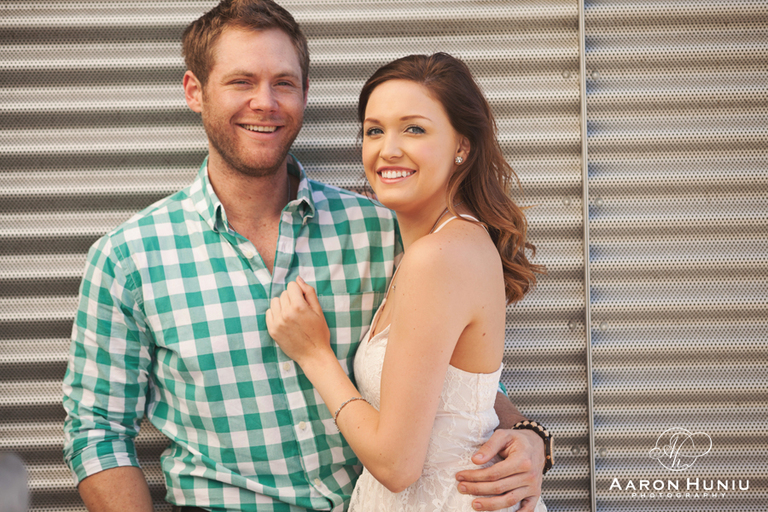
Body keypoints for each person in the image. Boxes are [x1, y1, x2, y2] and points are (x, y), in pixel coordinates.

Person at [62, 1, 550, 511]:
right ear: (194, 92)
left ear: (305, 94)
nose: (264, 102)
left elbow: (449, 380)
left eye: (283, 83)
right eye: (241, 81)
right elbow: (96, 434)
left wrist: (530, 437)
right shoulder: (129, 258)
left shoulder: (383, 231)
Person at [266, 53, 550, 511]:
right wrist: (529, 432)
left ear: (463, 145)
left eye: (414, 129)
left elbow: (397, 466)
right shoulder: (450, 242)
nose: (388, 149)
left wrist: (313, 354)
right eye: (374, 130)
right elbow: (456, 390)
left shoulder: (436, 257)